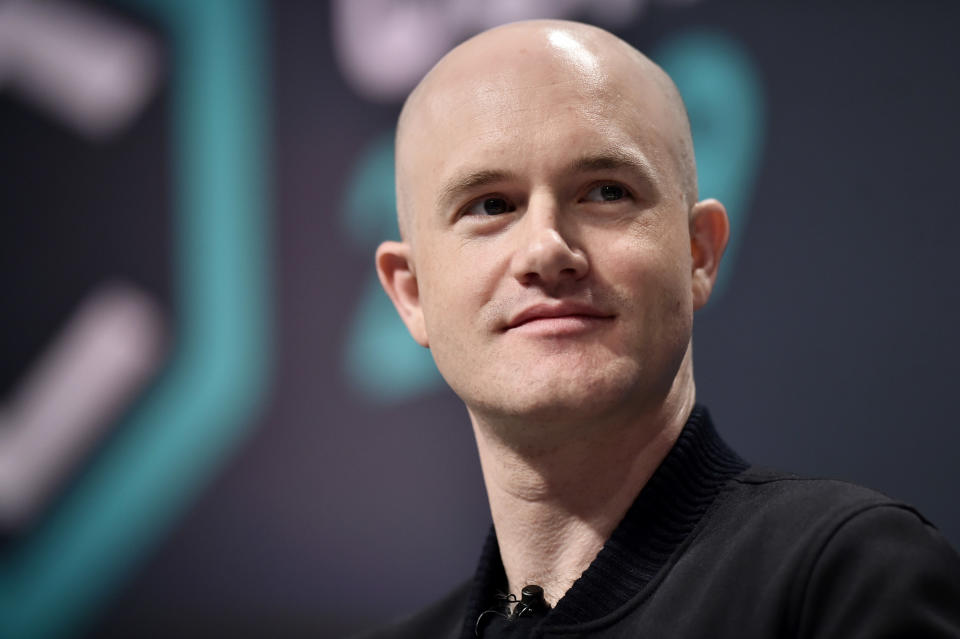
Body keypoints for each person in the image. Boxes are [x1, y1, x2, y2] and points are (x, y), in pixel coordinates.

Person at [366, 19, 960, 638]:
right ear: (410, 293)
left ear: (698, 252)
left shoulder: (841, 579)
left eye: (604, 192)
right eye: (491, 205)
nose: (546, 248)